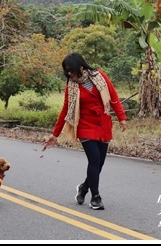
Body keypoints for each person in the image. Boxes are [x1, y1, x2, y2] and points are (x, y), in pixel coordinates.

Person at [43, 52, 127, 210]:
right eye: (67, 71)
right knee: (94, 159)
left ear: (81, 67)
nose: (69, 74)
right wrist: (55, 134)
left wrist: (121, 117)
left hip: (104, 124)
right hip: (84, 126)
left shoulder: (100, 76)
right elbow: (65, 111)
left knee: (99, 163)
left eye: (71, 70)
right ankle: (95, 197)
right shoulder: (71, 87)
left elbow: (113, 96)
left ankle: (84, 188)